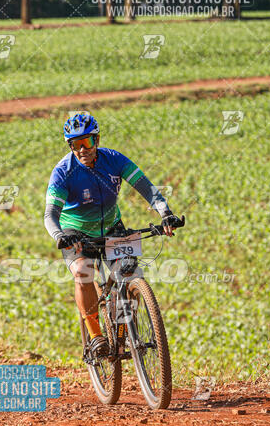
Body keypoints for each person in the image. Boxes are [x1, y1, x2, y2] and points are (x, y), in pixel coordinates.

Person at [44, 112, 181, 356]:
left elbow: (147, 188)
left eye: (87, 142)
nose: (82, 150)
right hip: (75, 231)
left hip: (111, 225)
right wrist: (59, 235)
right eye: (75, 145)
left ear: (97, 140)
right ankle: (95, 335)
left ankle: (126, 330)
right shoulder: (63, 171)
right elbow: (50, 215)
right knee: (82, 272)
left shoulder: (114, 160)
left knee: (130, 271)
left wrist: (165, 213)